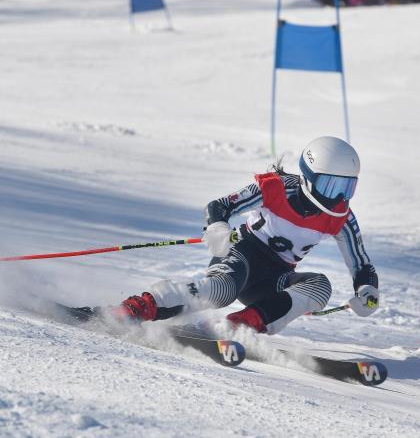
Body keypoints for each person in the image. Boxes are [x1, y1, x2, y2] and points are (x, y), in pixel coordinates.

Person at [109, 137, 379, 334]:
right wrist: (217, 228)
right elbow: (220, 206)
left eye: (347, 188)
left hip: (274, 277)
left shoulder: (341, 217)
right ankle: (140, 307)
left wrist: (366, 290)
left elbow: (361, 263)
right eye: (332, 186)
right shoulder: (276, 189)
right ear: (309, 177)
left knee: (320, 286)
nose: (339, 198)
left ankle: (239, 326)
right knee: (223, 290)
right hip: (241, 255)